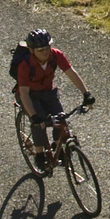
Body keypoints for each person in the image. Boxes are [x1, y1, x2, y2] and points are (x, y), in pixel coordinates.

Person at [14, 28, 92, 168]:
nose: (45, 52)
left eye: (47, 48)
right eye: (40, 50)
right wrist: (34, 116)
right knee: (39, 123)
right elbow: (24, 93)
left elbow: (71, 73)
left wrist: (86, 93)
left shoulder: (55, 55)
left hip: (48, 92)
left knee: (61, 120)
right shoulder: (25, 65)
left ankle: (57, 146)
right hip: (29, 96)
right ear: (31, 51)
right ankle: (39, 155)